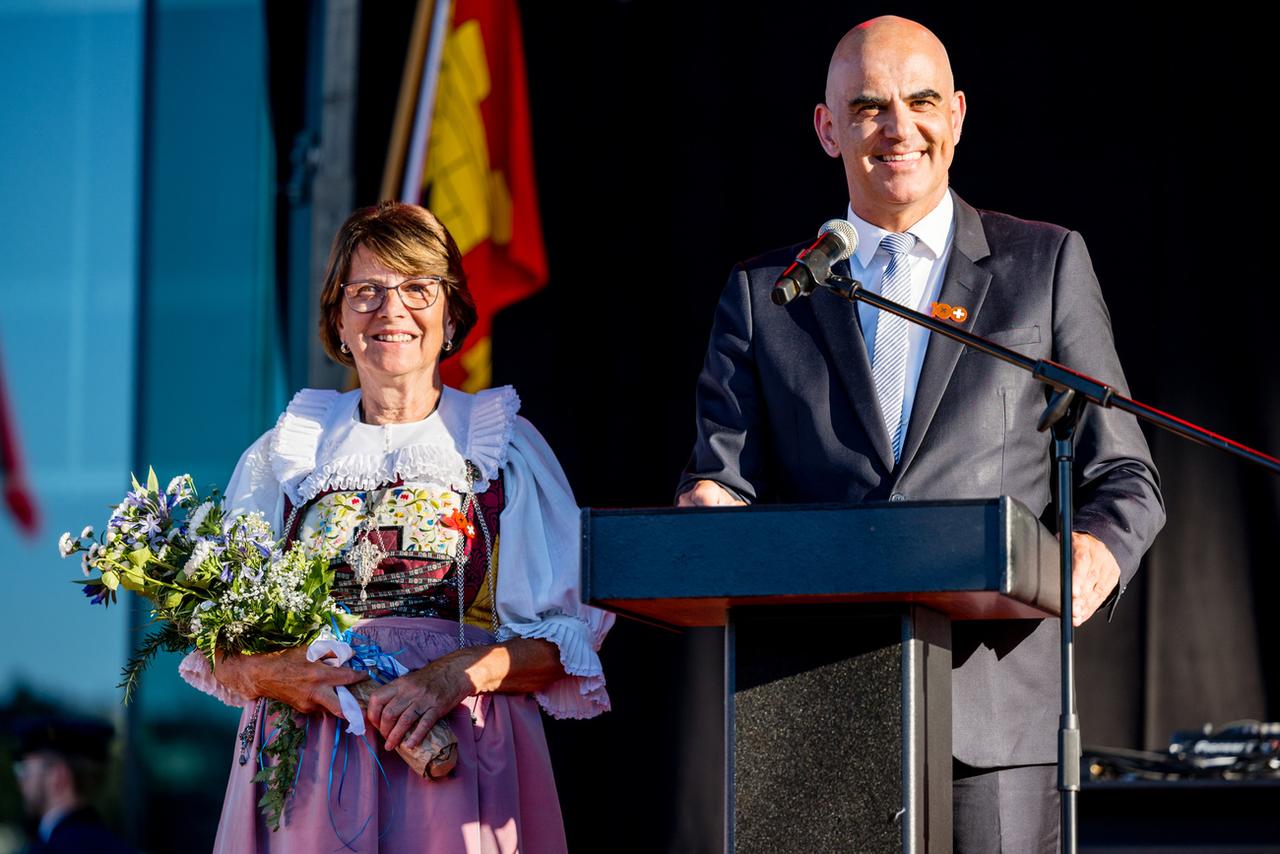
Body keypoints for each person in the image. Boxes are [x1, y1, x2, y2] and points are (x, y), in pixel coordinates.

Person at [677, 16, 1164, 854]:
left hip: (1000, 708)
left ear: (959, 115)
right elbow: (722, 478)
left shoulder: (1042, 266)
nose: (898, 128)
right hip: (817, 714)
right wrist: (706, 506)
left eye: (922, 101)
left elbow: (1125, 475)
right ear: (829, 129)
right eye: (869, 107)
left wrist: (1093, 555)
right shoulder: (767, 294)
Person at [179, 201, 613, 852]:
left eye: (417, 287)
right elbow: (221, 647)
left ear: (451, 314)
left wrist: (452, 674)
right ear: (338, 317)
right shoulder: (287, 452)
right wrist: (277, 674)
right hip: (307, 761)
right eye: (367, 292)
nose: (392, 310)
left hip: (459, 751)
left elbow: (565, 643)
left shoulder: (503, 448)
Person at [12, 717, 133, 854]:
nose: (20, 782)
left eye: (23, 770)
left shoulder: (52, 849)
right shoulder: (114, 845)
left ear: (58, 777)